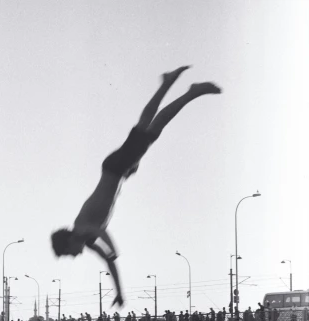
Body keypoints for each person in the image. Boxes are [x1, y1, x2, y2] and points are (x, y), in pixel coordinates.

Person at [51, 66, 221, 307]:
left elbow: (102, 234)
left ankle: (189, 92)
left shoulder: (82, 230)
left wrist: (113, 250)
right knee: (146, 128)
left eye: (69, 253)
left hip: (115, 169)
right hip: (119, 171)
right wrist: (119, 292)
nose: (75, 256)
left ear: (68, 241)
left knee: (153, 128)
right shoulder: (86, 239)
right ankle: (169, 83)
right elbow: (109, 262)